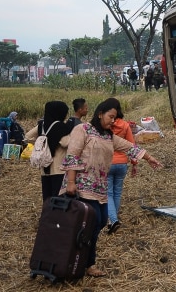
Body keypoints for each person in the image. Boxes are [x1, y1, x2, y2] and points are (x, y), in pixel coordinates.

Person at [61, 98, 162, 277]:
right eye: (110, 117)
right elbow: (72, 156)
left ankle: (85, 260)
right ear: (100, 113)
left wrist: (149, 158)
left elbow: (130, 147)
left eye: (115, 118)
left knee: (100, 221)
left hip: (100, 188)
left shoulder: (108, 136)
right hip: (82, 186)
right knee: (92, 222)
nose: (113, 121)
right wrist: (70, 182)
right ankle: (82, 261)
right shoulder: (82, 129)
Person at [25, 101, 74, 201]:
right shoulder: (60, 127)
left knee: (47, 198)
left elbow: (27, 136)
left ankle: (47, 216)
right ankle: (56, 216)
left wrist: (42, 141)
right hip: (58, 169)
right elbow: (65, 143)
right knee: (58, 200)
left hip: (44, 168)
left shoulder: (42, 125)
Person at [105, 98, 135, 234]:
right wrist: (134, 163)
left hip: (107, 163)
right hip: (122, 163)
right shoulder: (124, 125)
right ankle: (113, 218)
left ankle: (113, 219)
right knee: (117, 192)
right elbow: (131, 145)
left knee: (108, 193)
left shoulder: (104, 125)